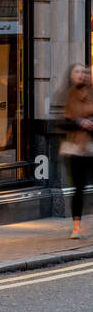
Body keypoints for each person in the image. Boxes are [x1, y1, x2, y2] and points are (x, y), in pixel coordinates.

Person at [55, 64, 93, 238]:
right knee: (78, 187)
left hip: (91, 146)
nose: (81, 75)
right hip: (75, 148)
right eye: (77, 72)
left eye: (83, 72)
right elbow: (62, 122)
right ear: (70, 75)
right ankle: (76, 227)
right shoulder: (67, 95)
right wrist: (79, 122)